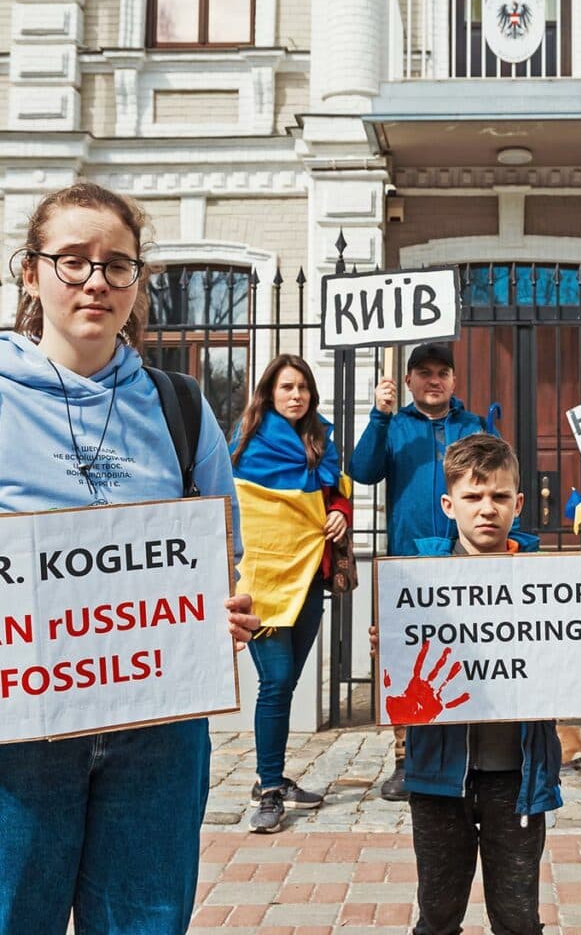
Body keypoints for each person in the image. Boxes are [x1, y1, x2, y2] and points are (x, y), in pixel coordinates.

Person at [0, 181, 258, 935]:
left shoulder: (179, 404)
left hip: (156, 732)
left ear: (138, 282)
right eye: (72, 260)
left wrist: (224, 612)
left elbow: (218, 557)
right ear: (31, 272)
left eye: (118, 265)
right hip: (22, 733)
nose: (95, 281)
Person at [370, 433, 581, 935]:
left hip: (517, 779)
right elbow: (403, 681)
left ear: (519, 504)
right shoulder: (417, 579)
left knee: (519, 918)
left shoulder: (550, 580)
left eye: (500, 497)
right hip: (438, 778)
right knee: (437, 916)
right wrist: (390, 648)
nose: (487, 509)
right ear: (448, 504)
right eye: (473, 496)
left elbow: (562, 664)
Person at [349, 342, 486, 800]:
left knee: (462, 654)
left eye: (442, 372)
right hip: (406, 564)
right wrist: (378, 415)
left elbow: (494, 481)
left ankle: (464, 751)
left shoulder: (473, 426)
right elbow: (363, 471)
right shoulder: (395, 425)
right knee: (405, 660)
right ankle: (406, 758)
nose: (434, 380)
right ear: (407, 380)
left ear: (453, 380)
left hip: (463, 560)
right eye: (424, 372)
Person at [231, 354, 353, 834]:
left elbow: (335, 491)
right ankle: (268, 790)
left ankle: (275, 773)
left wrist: (341, 509)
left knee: (286, 684)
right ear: (269, 393)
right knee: (276, 682)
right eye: (286, 387)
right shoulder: (245, 443)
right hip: (261, 583)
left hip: (309, 575)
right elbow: (229, 503)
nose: (296, 395)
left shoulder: (322, 439)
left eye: (302, 387)